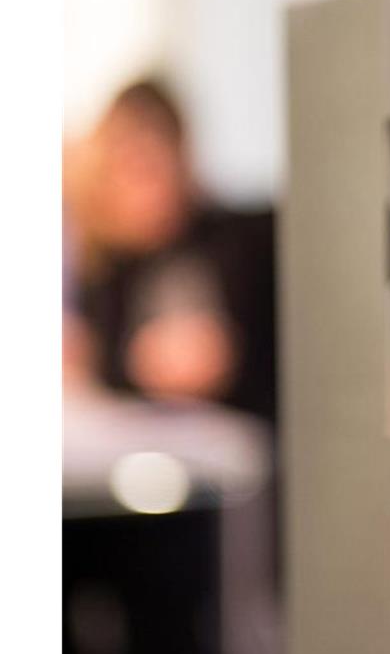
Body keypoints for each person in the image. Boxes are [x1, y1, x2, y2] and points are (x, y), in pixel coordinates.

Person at [66, 79, 277, 424]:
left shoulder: (245, 240)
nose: (139, 186)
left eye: (149, 163)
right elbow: (101, 365)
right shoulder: (108, 269)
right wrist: (134, 364)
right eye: (124, 167)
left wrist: (229, 354)